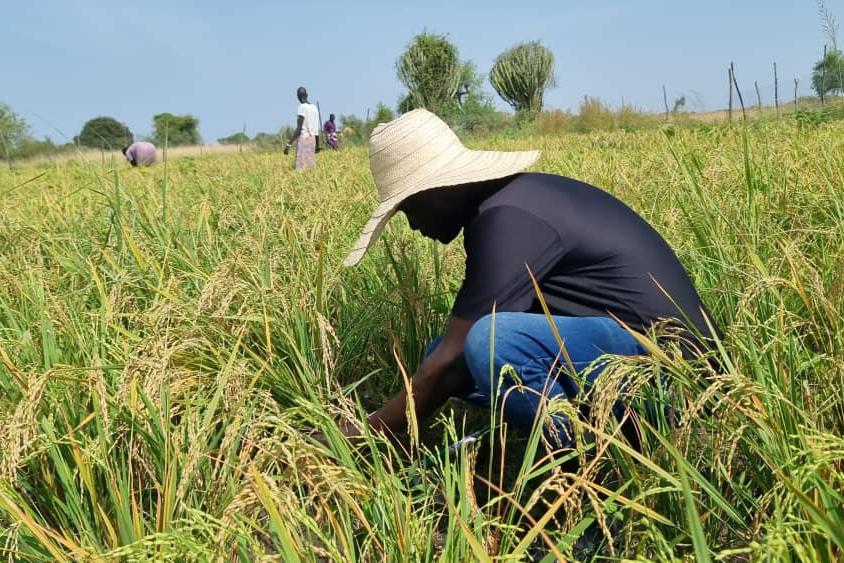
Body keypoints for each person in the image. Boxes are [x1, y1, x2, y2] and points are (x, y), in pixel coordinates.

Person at [341, 109, 720, 449]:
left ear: (437, 189)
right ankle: (593, 429)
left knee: (487, 344)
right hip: (636, 353)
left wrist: (361, 433)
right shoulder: (509, 203)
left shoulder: (507, 221)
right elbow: (446, 360)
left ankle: (579, 465)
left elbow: (451, 359)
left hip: (676, 377)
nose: (414, 225)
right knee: (447, 354)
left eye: (409, 207)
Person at [284, 86, 320, 169]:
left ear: (298, 97)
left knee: (300, 169)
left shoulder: (302, 107)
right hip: (312, 140)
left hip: (304, 140)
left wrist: (288, 145)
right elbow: (316, 129)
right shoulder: (314, 108)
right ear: (307, 94)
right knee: (310, 168)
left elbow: (299, 129)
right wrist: (317, 145)